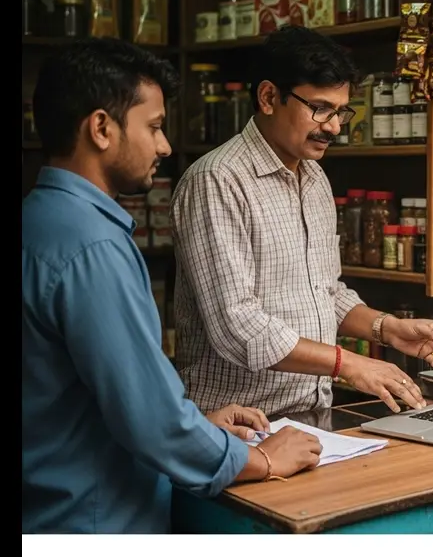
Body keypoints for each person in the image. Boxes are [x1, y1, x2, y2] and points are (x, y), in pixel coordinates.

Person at [22, 38, 323, 534]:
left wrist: (199, 423)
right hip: (92, 521)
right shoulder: (93, 246)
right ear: (101, 128)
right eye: (155, 127)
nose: (164, 146)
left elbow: (83, 393)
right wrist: (262, 460)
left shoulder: (39, 220)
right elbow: (152, 423)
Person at [170, 26, 433, 418]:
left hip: (311, 417)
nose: (335, 127)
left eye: (341, 112)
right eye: (320, 108)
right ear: (269, 97)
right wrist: (349, 364)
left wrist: (386, 328)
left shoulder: (314, 177)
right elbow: (239, 328)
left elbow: (324, 293)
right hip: (235, 428)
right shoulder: (217, 180)